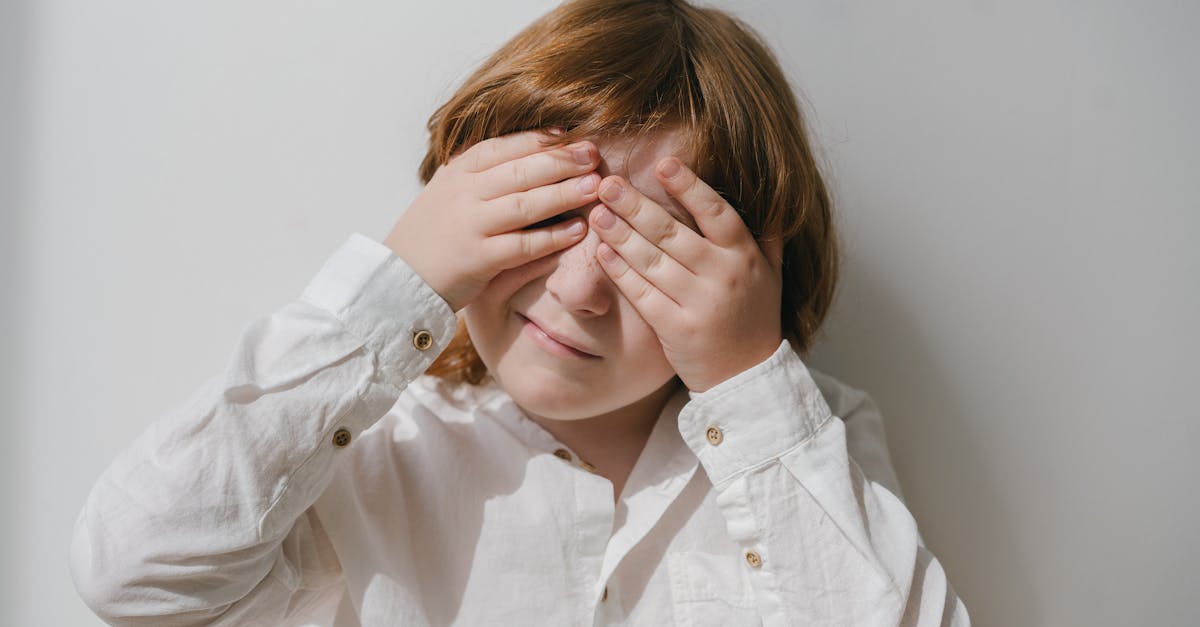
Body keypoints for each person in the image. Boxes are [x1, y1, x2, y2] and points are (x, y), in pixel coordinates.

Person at [69, 0, 970, 624]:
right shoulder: (382, 449)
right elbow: (136, 573)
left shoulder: (814, 438)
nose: (580, 290)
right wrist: (401, 282)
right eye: (546, 218)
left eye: (649, 250)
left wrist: (748, 380)